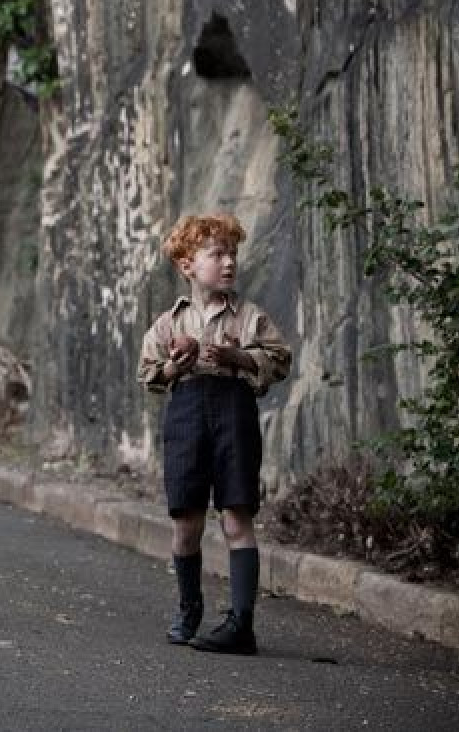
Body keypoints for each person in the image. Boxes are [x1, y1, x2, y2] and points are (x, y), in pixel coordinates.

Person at [137, 213, 291, 654]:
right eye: (216, 254)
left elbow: (279, 359)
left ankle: (242, 624)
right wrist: (174, 365)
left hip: (233, 416)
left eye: (232, 255)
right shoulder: (168, 324)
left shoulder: (249, 318)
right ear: (187, 265)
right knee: (185, 522)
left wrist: (237, 357)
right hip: (185, 417)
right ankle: (189, 610)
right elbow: (149, 374)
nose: (228, 263)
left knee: (235, 516)